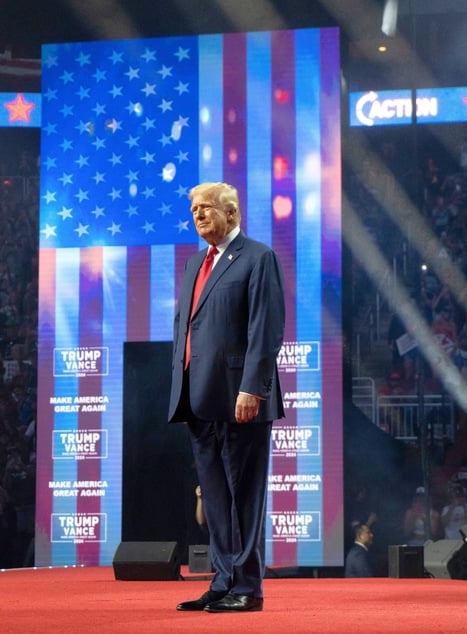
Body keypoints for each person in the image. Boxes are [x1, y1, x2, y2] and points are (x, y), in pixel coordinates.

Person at [169, 182, 285, 614]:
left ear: (232, 214)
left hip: (241, 398)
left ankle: (248, 587)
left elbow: (266, 328)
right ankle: (222, 580)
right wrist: (181, 394)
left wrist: (252, 387)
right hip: (200, 399)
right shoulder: (195, 263)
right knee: (215, 495)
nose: (198, 216)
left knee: (244, 495)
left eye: (207, 209)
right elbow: (184, 330)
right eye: (194, 209)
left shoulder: (258, 257)